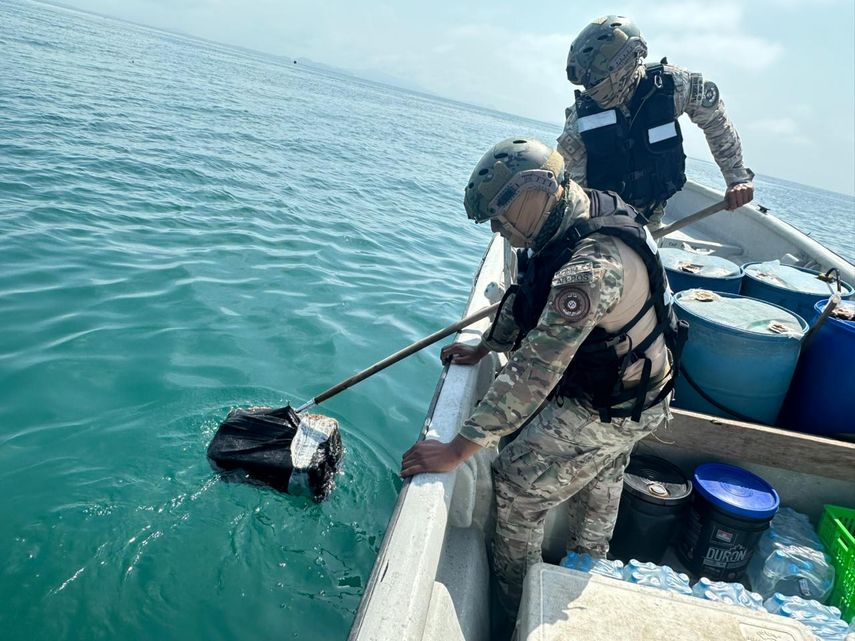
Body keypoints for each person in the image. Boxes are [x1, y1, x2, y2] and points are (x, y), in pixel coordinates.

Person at [400, 137, 685, 616]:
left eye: (499, 215)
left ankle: (517, 609)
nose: (498, 229)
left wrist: (457, 449)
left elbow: (536, 369)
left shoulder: (592, 268)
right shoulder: (567, 217)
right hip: (632, 392)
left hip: (614, 406)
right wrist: (487, 346)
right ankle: (584, 568)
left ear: (533, 191)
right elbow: (527, 289)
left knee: (513, 481)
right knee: (601, 471)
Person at [558, 15, 754, 228]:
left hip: (652, 212)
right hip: (602, 220)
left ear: (623, 66)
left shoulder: (672, 86)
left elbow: (716, 121)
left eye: (595, 80)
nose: (591, 88)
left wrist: (736, 178)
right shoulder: (580, 121)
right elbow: (572, 189)